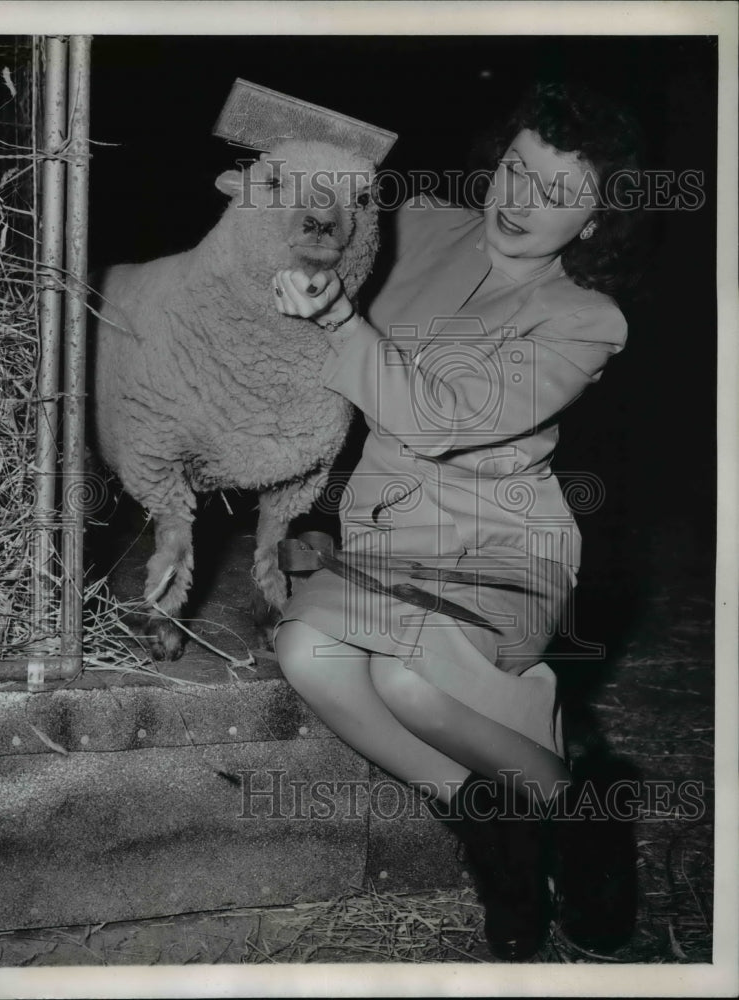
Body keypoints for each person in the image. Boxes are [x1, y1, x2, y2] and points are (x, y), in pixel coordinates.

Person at [271, 81, 644, 961]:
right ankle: (490, 830)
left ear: (593, 223)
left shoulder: (586, 321)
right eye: (518, 171)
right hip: (393, 527)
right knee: (306, 652)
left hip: (501, 535)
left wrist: (339, 321)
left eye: (560, 193)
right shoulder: (424, 226)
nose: (522, 202)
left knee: (409, 685)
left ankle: (583, 821)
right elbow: (308, 224)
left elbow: (436, 417)